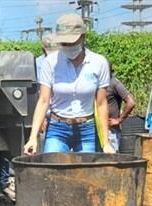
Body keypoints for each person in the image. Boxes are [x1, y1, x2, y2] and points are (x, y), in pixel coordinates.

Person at [23, 13, 115, 155]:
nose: (68, 47)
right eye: (64, 43)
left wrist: (106, 143)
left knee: (84, 168)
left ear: (83, 37)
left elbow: (101, 104)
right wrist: (33, 137)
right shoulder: (50, 63)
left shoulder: (98, 63)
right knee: (52, 166)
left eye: (72, 43)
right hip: (57, 128)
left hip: (87, 130)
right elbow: (43, 101)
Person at [106, 62, 136, 152]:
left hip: (111, 130)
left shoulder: (114, 83)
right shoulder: (99, 84)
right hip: (99, 128)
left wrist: (119, 120)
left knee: (111, 156)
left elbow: (131, 103)